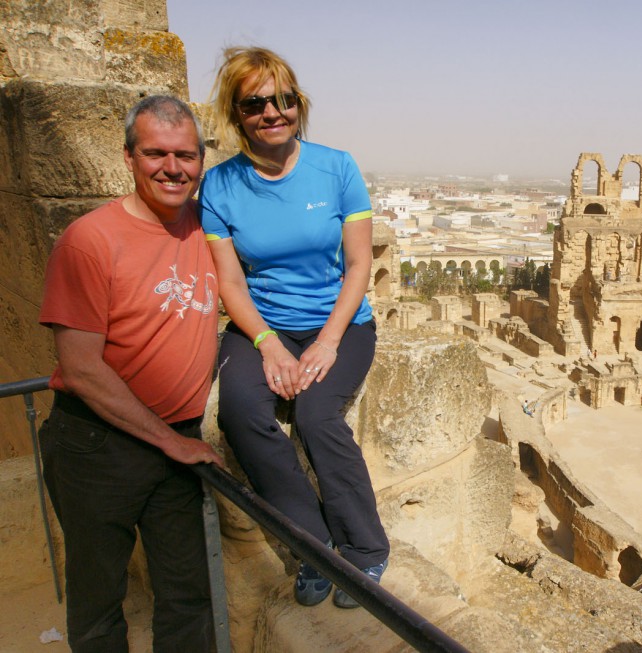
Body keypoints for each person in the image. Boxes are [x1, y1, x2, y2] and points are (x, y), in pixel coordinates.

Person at [200, 46, 389, 609]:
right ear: (237, 116)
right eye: (255, 103)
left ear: (298, 104)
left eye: (284, 99)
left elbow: (358, 266)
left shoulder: (337, 168)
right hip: (261, 323)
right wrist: (268, 345)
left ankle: (365, 546)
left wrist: (328, 341)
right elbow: (231, 284)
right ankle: (313, 543)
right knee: (241, 411)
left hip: (341, 322)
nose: (272, 112)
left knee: (314, 413)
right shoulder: (221, 186)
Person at [37, 96, 223, 652]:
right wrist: (170, 441)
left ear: (201, 161)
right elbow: (82, 369)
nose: (173, 168)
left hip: (177, 442)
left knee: (189, 595)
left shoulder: (209, 228)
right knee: (98, 602)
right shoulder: (91, 241)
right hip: (98, 446)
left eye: (186, 155)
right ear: (128, 157)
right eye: (156, 154)